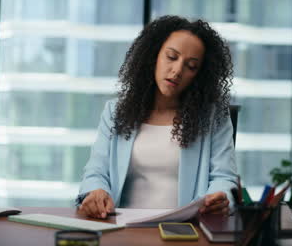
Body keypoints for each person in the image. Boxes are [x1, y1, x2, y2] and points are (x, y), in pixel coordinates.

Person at [76, 15, 238, 219]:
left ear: (200, 75)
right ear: (154, 56)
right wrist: (96, 191)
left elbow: (224, 177)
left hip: (183, 230)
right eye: (171, 57)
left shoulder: (214, 118)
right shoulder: (115, 112)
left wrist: (219, 197)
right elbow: (96, 171)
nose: (177, 70)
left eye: (191, 66)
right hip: (120, 226)